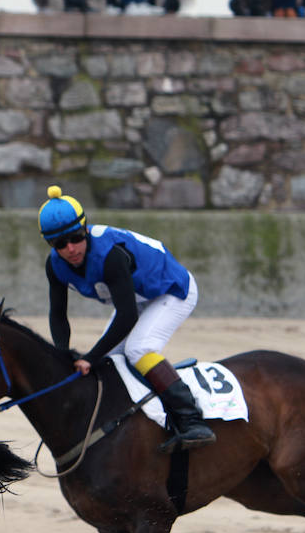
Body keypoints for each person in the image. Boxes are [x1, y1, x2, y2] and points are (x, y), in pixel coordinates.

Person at [37, 185, 215, 451]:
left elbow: (127, 316)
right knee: (111, 362)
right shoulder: (55, 265)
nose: (71, 248)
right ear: (51, 245)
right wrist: (63, 356)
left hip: (173, 289)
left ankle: (192, 421)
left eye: (75, 237)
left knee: (138, 349)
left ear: (85, 229)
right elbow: (58, 314)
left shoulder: (109, 256)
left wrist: (89, 357)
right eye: (60, 244)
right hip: (139, 297)